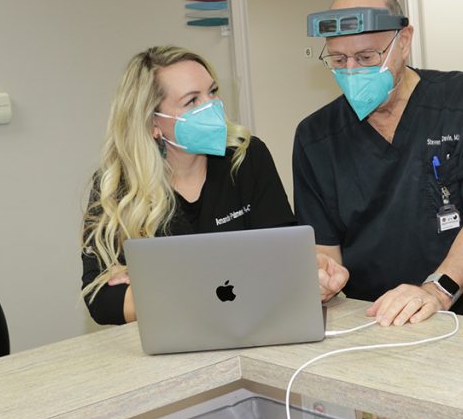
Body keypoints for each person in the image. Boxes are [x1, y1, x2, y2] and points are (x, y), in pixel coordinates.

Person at [293, 0, 463, 326]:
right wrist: (323, 278)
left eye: (366, 58)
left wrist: (436, 291)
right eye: (337, 59)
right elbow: (324, 249)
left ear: (403, 41)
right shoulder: (315, 137)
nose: (351, 71)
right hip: (380, 317)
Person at [81, 46, 347, 325]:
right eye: (192, 101)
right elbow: (101, 301)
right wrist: (240, 273)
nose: (211, 106)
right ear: (153, 123)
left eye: (212, 92)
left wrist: (157, 285)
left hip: (252, 325)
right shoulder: (118, 186)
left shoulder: (247, 158)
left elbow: (284, 257)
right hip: (170, 341)